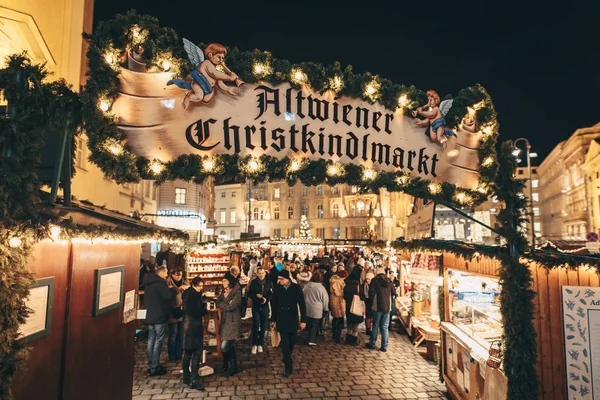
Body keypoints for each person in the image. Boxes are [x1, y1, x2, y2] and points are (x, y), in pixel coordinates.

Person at [167, 42, 241, 109]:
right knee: (199, 97)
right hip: (199, 84)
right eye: (219, 57)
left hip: (207, 88)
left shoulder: (215, 69)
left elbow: (219, 82)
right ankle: (188, 97)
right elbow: (214, 73)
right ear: (210, 55)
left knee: (206, 99)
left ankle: (194, 95)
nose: (221, 60)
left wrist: (228, 89)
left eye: (222, 58)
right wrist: (230, 78)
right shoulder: (207, 63)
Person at [271, 270, 307, 377]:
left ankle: (286, 356)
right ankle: (288, 366)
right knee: (285, 344)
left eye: (281, 279)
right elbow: (274, 305)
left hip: (292, 318)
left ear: (287, 279)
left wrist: (303, 320)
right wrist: (273, 319)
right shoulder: (277, 288)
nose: (279, 281)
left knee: (292, 341)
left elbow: (302, 305)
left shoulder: (296, 288)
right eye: (278, 279)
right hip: (281, 318)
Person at [143, 266, 177, 376]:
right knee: (158, 340)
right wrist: (171, 289)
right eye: (166, 273)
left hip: (150, 315)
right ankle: (155, 366)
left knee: (151, 339)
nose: (167, 275)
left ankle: (150, 364)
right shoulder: (160, 284)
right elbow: (168, 296)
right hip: (160, 316)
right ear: (161, 273)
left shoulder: (148, 284)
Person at [181, 277, 207, 390]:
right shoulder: (194, 296)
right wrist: (204, 308)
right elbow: (197, 311)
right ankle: (194, 380)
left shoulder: (186, 293)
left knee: (187, 353)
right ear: (194, 285)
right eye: (200, 286)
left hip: (186, 325)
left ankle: (186, 377)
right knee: (197, 352)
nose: (201, 288)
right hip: (194, 326)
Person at [216, 274, 242, 376]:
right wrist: (225, 302)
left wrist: (224, 302)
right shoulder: (224, 292)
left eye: (225, 281)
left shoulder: (237, 293)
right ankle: (229, 365)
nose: (223, 283)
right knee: (229, 345)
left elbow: (231, 307)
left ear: (230, 282)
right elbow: (218, 302)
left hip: (233, 321)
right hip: (225, 321)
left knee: (225, 346)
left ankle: (231, 365)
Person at [366, 267, 393, 352]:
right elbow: (394, 293)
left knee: (375, 325)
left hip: (377, 306)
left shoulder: (375, 280)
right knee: (385, 326)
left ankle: (372, 343)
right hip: (387, 307)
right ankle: (384, 346)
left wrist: (370, 302)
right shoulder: (389, 281)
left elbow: (371, 292)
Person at [247, 267, 273, 354]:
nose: (261, 275)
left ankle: (260, 344)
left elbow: (271, 294)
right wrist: (256, 296)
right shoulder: (254, 282)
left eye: (262, 273)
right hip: (256, 306)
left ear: (265, 274)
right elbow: (249, 293)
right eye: (259, 273)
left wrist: (267, 299)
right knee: (256, 324)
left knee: (263, 325)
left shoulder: (269, 282)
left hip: (265, 307)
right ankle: (254, 344)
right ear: (257, 274)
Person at [166, 268, 189, 363]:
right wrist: (178, 290)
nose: (178, 276)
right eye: (176, 274)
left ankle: (179, 354)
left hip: (182, 312)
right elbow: (168, 297)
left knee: (181, 334)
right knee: (173, 334)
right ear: (172, 275)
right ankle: (172, 356)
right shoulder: (168, 284)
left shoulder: (184, 283)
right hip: (172, 313)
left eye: (179, 274)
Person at [302, 272, 329, 346]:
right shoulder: (321, 288)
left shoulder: (307, 286)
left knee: (309, 324)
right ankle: (311, 340)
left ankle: (308, 337)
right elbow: (325, 299)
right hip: (317, 309)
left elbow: (302, 295)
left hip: (307, 308)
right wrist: (326, 308)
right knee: (314, 324)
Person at [343, 271, 365, 346]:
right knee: (355, 323)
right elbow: (362, 297)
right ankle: (354, 339)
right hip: (356, 307)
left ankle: (348, 338)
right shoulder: (358, 287)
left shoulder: (346, 286)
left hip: (348, 307)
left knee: (350, 322)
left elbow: (344, 297)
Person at [329, 269, 347, 343]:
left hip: (335, 300)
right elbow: (337, 292)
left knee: (336, 318)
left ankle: (335, 334)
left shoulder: (333, 279)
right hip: (338, 301)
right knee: (339, 319)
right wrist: (344, 293)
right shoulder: (337, 282)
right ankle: (337, 336)